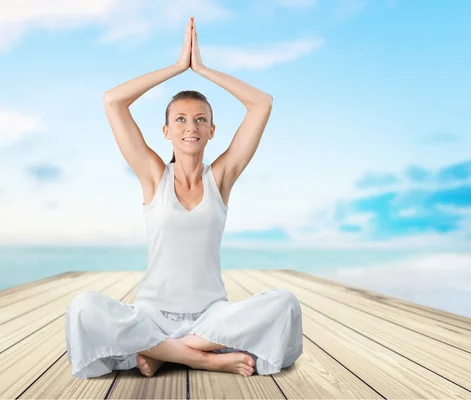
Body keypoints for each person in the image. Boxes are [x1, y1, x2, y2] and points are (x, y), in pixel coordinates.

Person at [65, 16, 303, 379]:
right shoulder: (153, 176)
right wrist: (178, 68)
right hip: (150, 315)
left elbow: (262, 104)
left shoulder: (221, 178)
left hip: (211, 318)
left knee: (285, 304)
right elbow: (113, 101)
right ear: (165, 130)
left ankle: (163, 352)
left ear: (211, 130)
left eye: (199, 120)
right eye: (179, 119)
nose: (190, 127)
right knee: (83, 307)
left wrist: (202, 69)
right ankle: (200, 357)